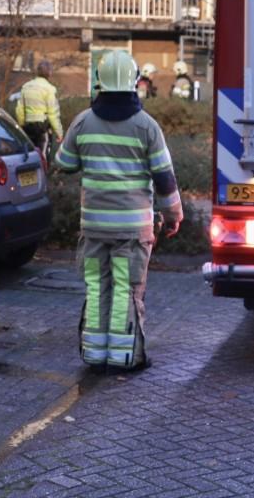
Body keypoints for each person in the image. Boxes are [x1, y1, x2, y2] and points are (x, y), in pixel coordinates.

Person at [55, 49, 183, 373]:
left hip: (95, 226)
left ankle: (95, 355)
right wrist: (173, 215)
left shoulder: (83, 121)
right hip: (131, 229)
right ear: (136, 82)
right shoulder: (146, 126)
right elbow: (164, 177)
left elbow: (64, 163)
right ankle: (124, 357)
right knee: (126, 289)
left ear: (99, 83)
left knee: (97, 288)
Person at [15, 60, 62, 153]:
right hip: (42, 127)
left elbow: (19, 110)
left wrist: (21, 125)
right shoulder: (50, 89)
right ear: (49, 73)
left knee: (30, 154)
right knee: (42, 155)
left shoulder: (26, 87)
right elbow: (53, 113)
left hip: (28, 126)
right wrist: (59, 132)